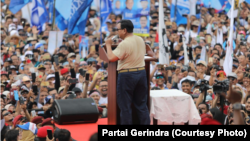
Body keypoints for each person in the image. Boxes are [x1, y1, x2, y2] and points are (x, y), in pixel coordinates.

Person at [105, 20, 154, 125]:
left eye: (118, 29)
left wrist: (108, 45)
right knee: (141, 105)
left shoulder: (124, 44)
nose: (117, 32)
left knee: (125, 107)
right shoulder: (140, 39)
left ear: (124, 30)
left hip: (127, 75)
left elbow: (111, 58)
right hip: (141, 73)